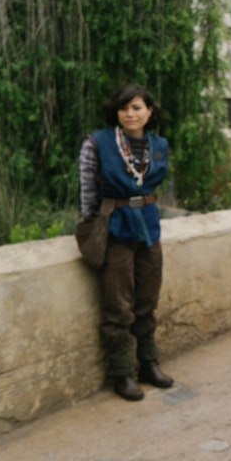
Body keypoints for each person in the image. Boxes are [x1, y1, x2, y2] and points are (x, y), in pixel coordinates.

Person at [79, 84, 174, 401]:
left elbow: (154, 183)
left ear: (149, 111)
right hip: (116, 228)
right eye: (124, 108)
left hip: (148, 227)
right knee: (118, 306)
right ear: (116, 112)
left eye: (137, 107)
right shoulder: (98, 143)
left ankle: (149, 363)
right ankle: (122, 373)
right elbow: (87, 191)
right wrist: (93, 228)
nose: (130, 114)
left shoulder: (158, 145)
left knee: (147, 299)